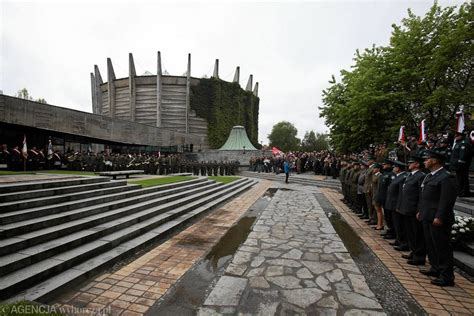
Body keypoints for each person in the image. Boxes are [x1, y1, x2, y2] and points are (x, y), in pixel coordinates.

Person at [418, 149, 457, 286]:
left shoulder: (446, 177)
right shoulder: (430, 176)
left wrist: (440, 216)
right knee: (431, 245)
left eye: (427, 159)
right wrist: (421, 211)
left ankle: (447, 276)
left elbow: (446, 200)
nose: (424, 161)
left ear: (434, 160)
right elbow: (426, 197)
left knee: (442, 247)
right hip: (428, 215)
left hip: (438, 218)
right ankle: (435, 268)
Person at [398, 156, 426, 266]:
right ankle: (413, 252)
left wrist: (419, 209)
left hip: (414, 209)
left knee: (417, 234)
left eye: (411, 162)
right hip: (407, 208)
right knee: (410, 233)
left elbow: (421, 194)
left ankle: (419, 256)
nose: (408, 163)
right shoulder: (410, 175)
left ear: (417, 164)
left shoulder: (420, 176)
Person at [386, 160, 408, 251]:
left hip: (397, 205)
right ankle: (398, 240)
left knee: (400, 225)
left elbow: (401, 193)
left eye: (395, 167)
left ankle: (403, 243)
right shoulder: (397, 176)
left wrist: (399, 205)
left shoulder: (403, 177)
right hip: (392, 203)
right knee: (396, 224)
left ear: (398, 168)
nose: (393, 168)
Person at [450, 131, 472, 197]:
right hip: (458, 164)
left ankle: (463, 192)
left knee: (462, 179)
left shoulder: (464, 143)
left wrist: (460, 164)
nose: (455, 137)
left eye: (457, 136)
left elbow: (463, 155)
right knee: (459, 179)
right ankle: (460, 191)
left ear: (461, 136)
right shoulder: (458, 143)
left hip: (462, 165)